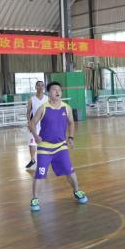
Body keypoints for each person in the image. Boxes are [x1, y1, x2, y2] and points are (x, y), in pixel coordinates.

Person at [28, 81, 88, 211]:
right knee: (40, 174)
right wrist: (35, 136)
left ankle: (77, 191)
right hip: (45, 147)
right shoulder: (43, 108)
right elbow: (32, 123)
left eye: (59, 90)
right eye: (54, 90)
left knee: (70, 171)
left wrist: (71, 137)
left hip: (61, 146)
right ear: (49, 93)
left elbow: (71, 123)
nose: (58, 92)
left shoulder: (66, 107)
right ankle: (35, 198)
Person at [25, 80, 48, 169]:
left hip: (45, 124)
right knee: (32, 143)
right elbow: (28, 112)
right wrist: (29, 122)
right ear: (35, 87)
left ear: (44, 87)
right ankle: (32, 160)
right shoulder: (32, 99)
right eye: (38, 85)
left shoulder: (47, 99)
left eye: (42, 85)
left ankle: (45, 160)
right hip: (34, 124)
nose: (40, 87)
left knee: (45, 143)